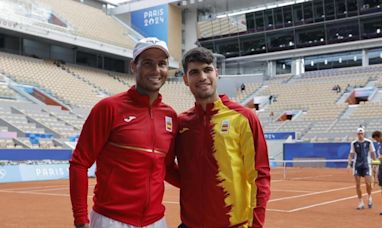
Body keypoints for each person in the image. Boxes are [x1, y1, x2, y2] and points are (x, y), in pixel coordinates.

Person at [69, 37, 177, 228]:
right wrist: (80, 219)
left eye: (162, 64)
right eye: (148, 63)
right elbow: (79, 163)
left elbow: (166, 167)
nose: (156, 70)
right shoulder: (108, 108)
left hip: (156, 221)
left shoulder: (170, 116)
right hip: (112, 220)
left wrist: (204, 183)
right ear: (133, 67)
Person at [166, 47, 270, 227]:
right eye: (194, 72)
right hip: (190, 224)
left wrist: (256, 225)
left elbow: (260, 177)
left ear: (217, 73)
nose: (202, 77)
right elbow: (166, 167)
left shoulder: (243, 117)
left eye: (207, 69)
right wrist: (193, 184)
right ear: (185, 79)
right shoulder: (181, 122)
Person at [347, 127, 376, 210]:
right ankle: (360, 202)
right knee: (357, 185)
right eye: (359, 134)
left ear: (364, 134)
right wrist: (349, 163)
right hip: (357, 166)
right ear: (357, 134)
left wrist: (375, 163)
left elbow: (373, 153)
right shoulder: (354, 143)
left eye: (361, 133)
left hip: (366, 165)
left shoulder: (369, 142)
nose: (360, 135)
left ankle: (369, 198)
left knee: (368, 183)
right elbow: (351, 154)